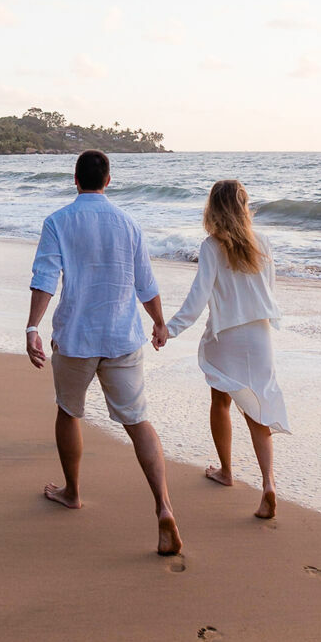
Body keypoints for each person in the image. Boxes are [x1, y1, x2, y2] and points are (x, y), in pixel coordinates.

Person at [25, 149, 183, 557]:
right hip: (122, 337)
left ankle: (72, 492)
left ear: (75, 180)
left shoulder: (58, 221)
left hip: (76, 338)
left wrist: (32, 327)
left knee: (68, 411)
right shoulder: (128, 223)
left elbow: (45, 278)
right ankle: (164, 505)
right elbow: (145, 283)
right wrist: (159, 323)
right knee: (138, 421)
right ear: (108, 180)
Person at [161, 179, 289, 520]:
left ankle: (227, 471)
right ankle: (268, 482)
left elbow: (198, 297)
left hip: (227, 337)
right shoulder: (263, 242)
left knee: (221, 402)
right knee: (257, 410)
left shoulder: (211, 246)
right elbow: (269, 291)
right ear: (243, 206)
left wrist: (169, 330)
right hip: (260, 336)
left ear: (213, 208)